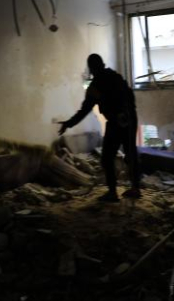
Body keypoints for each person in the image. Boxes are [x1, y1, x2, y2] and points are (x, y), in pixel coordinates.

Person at [58, 54, 141, 202]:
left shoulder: (96, 86)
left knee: (108, 157)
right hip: (129, 118)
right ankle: (134, 189)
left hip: (118, 121)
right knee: (130, 154)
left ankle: (113, 193)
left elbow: (84, 110)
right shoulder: (115, 77)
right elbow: (130, 97)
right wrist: (127, 115)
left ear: (91, 69)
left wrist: (68, 123)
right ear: (102, 64)